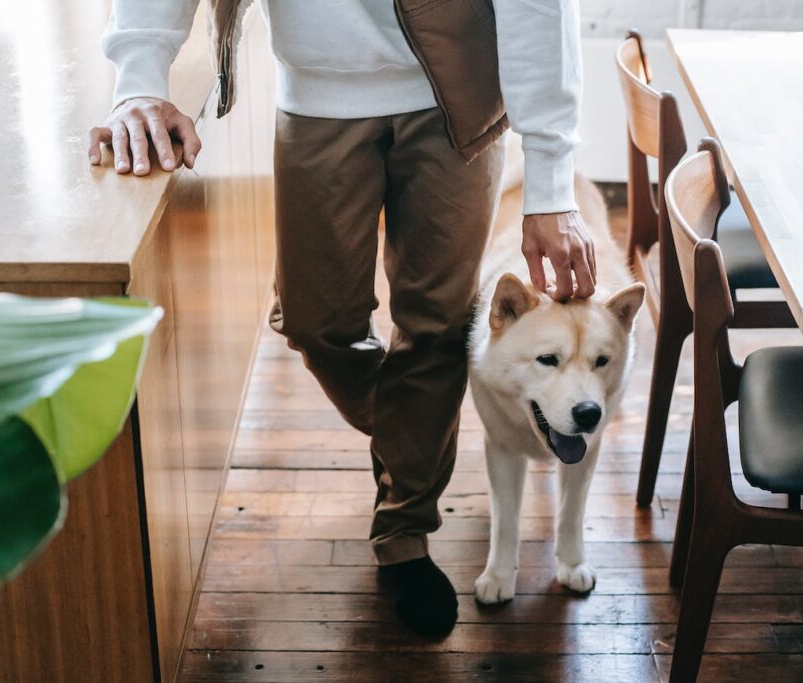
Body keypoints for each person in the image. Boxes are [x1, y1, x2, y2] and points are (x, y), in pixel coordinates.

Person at [89, 0, 594, 638]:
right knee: (314, 322)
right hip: (315, 97)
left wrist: (551, 183)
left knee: (437, 330)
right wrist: (137, 78)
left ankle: (405, 529)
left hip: (457, 101)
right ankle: (414, 437)